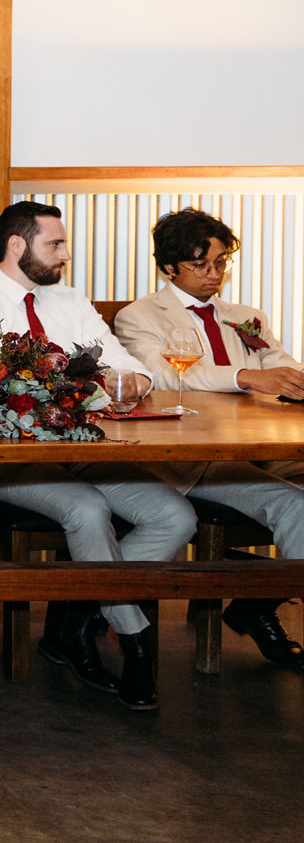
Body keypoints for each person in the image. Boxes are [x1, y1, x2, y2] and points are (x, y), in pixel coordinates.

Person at [0, 201, 192, 711]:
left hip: (85, 449)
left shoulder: (71, 300)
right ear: (17, 244)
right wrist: (87, 388)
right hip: (5, 459)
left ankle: (79, 615)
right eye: (55, 244)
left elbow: (123, 365)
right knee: (87, 508)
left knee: (175, 516)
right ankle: (135, 641)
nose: (65, 255)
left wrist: (135, 380)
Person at [113, 208, 304, 673]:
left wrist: (289, 379)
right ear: (169, 266)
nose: (213, 274)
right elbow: (162, 376)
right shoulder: (138, 316)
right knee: (296, 506)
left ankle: (258, 603)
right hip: (192, 459)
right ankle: (259, 606)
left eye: (221, 263)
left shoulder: (246, 317)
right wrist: (246, 377)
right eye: (200, 265)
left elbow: (281, 366)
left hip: (258, 448)